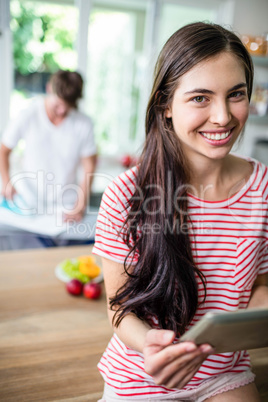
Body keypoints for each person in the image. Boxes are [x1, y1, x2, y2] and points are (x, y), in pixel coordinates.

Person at [92, 22, 268, 401]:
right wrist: (149, 344)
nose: (223, 116)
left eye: (235, 94)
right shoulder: (126, 193)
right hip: (141, 373)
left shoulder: (264, 187)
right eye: (200, 98)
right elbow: (119, 310)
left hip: (224, 370)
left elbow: (259, 287)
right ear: (166, 106)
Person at [0, 70, 97, 223]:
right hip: (28, 201)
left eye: (68, 106)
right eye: (58, 104)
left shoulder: (84, 124)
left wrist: (81, 203)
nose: (62, 111)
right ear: (48, 89)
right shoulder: (28, 114)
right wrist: (6, 182)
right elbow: (3, 150)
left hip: (65, 205)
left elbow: (89, 166)